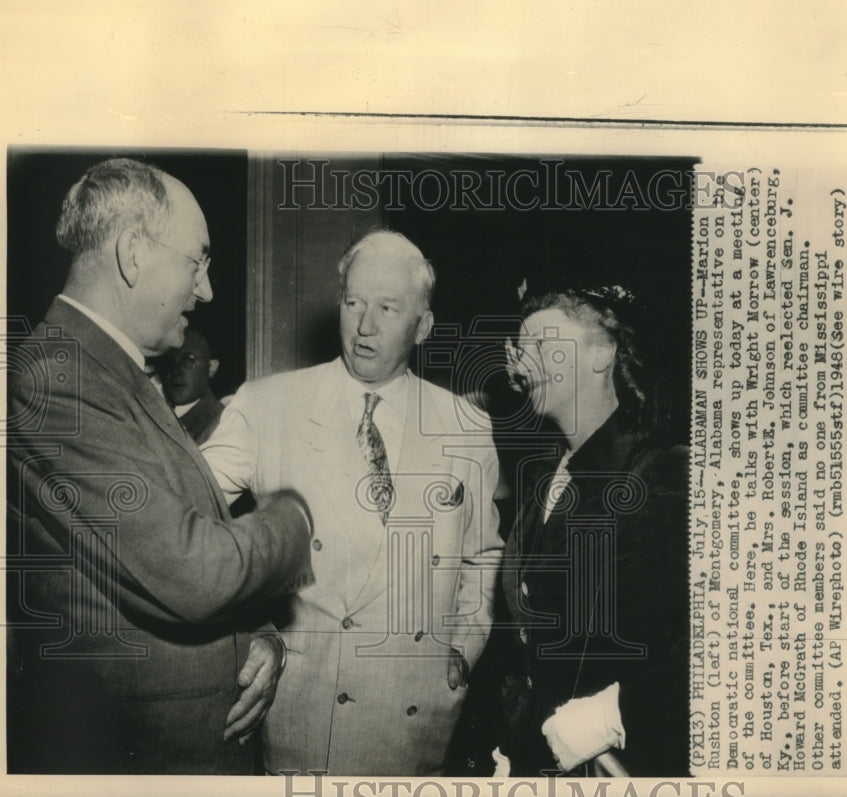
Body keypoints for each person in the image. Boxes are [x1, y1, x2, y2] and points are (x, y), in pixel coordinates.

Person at [6, 157, 315, 774]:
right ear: (132, 254)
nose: (207, 290)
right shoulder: (57, 378)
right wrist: (294, 517)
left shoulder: (111, 372)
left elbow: (150, 562)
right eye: (197, 261)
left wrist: (258, 644)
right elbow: (196, 573)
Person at [201, 229, 504, 775]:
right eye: (353, 303)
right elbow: (183, 526)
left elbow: (482, 555)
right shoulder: (269, 404)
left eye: (388, 308)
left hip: (417, 724)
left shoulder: (467, 426)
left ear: (424, 325)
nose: (365, 326)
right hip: (305, 720)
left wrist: (463, 646)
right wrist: (256, 632)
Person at [497, 285, 690, 776]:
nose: (522, 365)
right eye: (520, 351)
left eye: (542, 345)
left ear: (603, 353)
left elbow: (713, 644)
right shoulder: (543, 480)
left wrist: (614, 715)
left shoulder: (662, 470)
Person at [156, 326, 227, 444]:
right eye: (168, 361)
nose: (175, 370)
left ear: (211, 368)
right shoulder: (155, 415)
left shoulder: (222, 423)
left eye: (187, 361)